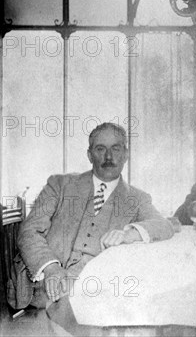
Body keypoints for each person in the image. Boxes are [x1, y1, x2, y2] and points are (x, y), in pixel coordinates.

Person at [7, 123, 174, 313]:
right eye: (100, 149)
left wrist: (130, 234)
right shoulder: (59, 185)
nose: (108, 157)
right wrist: (51, 268)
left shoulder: (137, 199)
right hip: (38, 291)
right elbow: (29, 232)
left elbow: (164, 226)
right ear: (89, 155)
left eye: (116, 149)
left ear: (126, 155)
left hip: (94, 298)